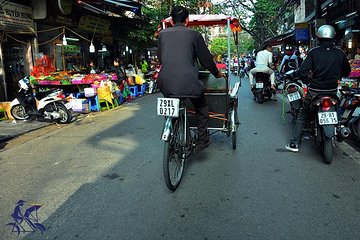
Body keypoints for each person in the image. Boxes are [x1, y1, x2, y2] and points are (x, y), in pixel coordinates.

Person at [157, 6, 224, 150]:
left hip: (165, 83)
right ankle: (202, 140)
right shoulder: (194, 34)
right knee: (201, 105)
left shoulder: (162, 34)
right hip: (189, 82)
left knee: (173, 101)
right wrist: (217, 74)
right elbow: (206, 60)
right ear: (187, 20)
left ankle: (173, 126)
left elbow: (161, 59)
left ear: (172, 20)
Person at [285, 25, 351, 152]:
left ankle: (295, 143)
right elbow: (346, 71)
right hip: (332, 91)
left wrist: (304, 78)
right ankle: (339, 129)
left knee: (302, 115)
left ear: (319, 37)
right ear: (333, 37)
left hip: (315, 91)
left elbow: (303, 71)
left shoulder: (314, 52)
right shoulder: (340, 53)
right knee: (338, 110)